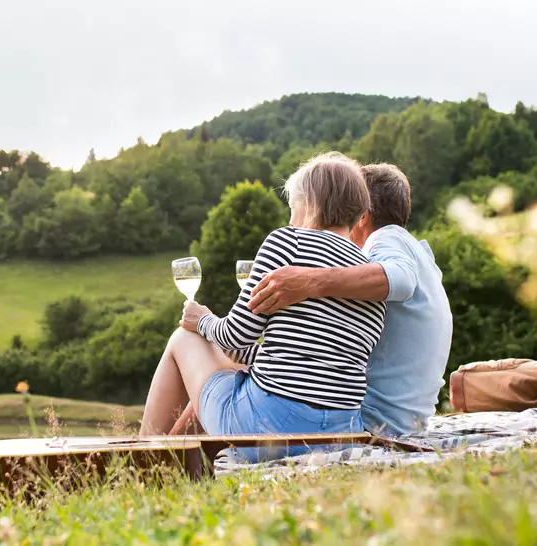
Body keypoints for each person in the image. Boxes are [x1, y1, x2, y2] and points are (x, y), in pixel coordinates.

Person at [138, 153, 386, 460]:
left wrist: (201, 320)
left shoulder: (287, 242)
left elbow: (234, 336)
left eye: (293, 206)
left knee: (183, 339)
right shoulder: (366, 273)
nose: (291, 218)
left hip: (268, 427)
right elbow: (313, 360)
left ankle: (140, 457)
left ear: (309, 203)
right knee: (229, 364)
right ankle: (174, 464)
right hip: (341, 432)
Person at [247, 163, 452, 437]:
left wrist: (309, 281)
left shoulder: (385, 239)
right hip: (404, 421)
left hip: (374, 421)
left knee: (227, 363)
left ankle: (177, 459)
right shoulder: (417, 253)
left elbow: (401, 279)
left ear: (363, 217)